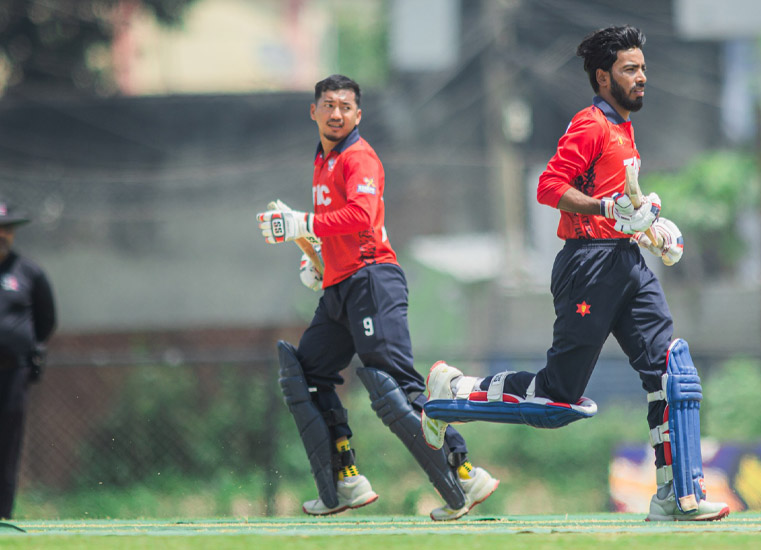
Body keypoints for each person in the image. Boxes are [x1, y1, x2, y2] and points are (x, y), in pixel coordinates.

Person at [419, 26, 729, 521]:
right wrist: (608, 208)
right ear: (603, 77)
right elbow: (548, 185)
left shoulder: (624, 128)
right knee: (556, 398)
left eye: (643, 68)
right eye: (630, 69)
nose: (642, 77)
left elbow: (623, 204)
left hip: (627, 261)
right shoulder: (589, 124)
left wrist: (651, 227)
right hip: (589, 265)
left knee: (671, 373)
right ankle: (453, 389)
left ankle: (675, 495)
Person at [255, 74, 498, 521]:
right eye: (328, 105)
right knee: (306, 374)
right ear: (313, 111)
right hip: (340, 285)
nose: (336, 113)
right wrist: (319, 260)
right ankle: (345, 479)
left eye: (345, 106)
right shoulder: (322, 160)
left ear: (358, 115)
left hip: (372, 280)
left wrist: (302, 224)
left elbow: (362, 216)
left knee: (396, 386)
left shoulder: (359, 157)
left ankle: (464, 470)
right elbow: (337, 224)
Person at [0, 194, 56, 520]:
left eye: (7, 228)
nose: (1, 234)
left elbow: (46, 320)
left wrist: (20, 346)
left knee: (7, 451)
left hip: (12, 376)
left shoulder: (29, 273)